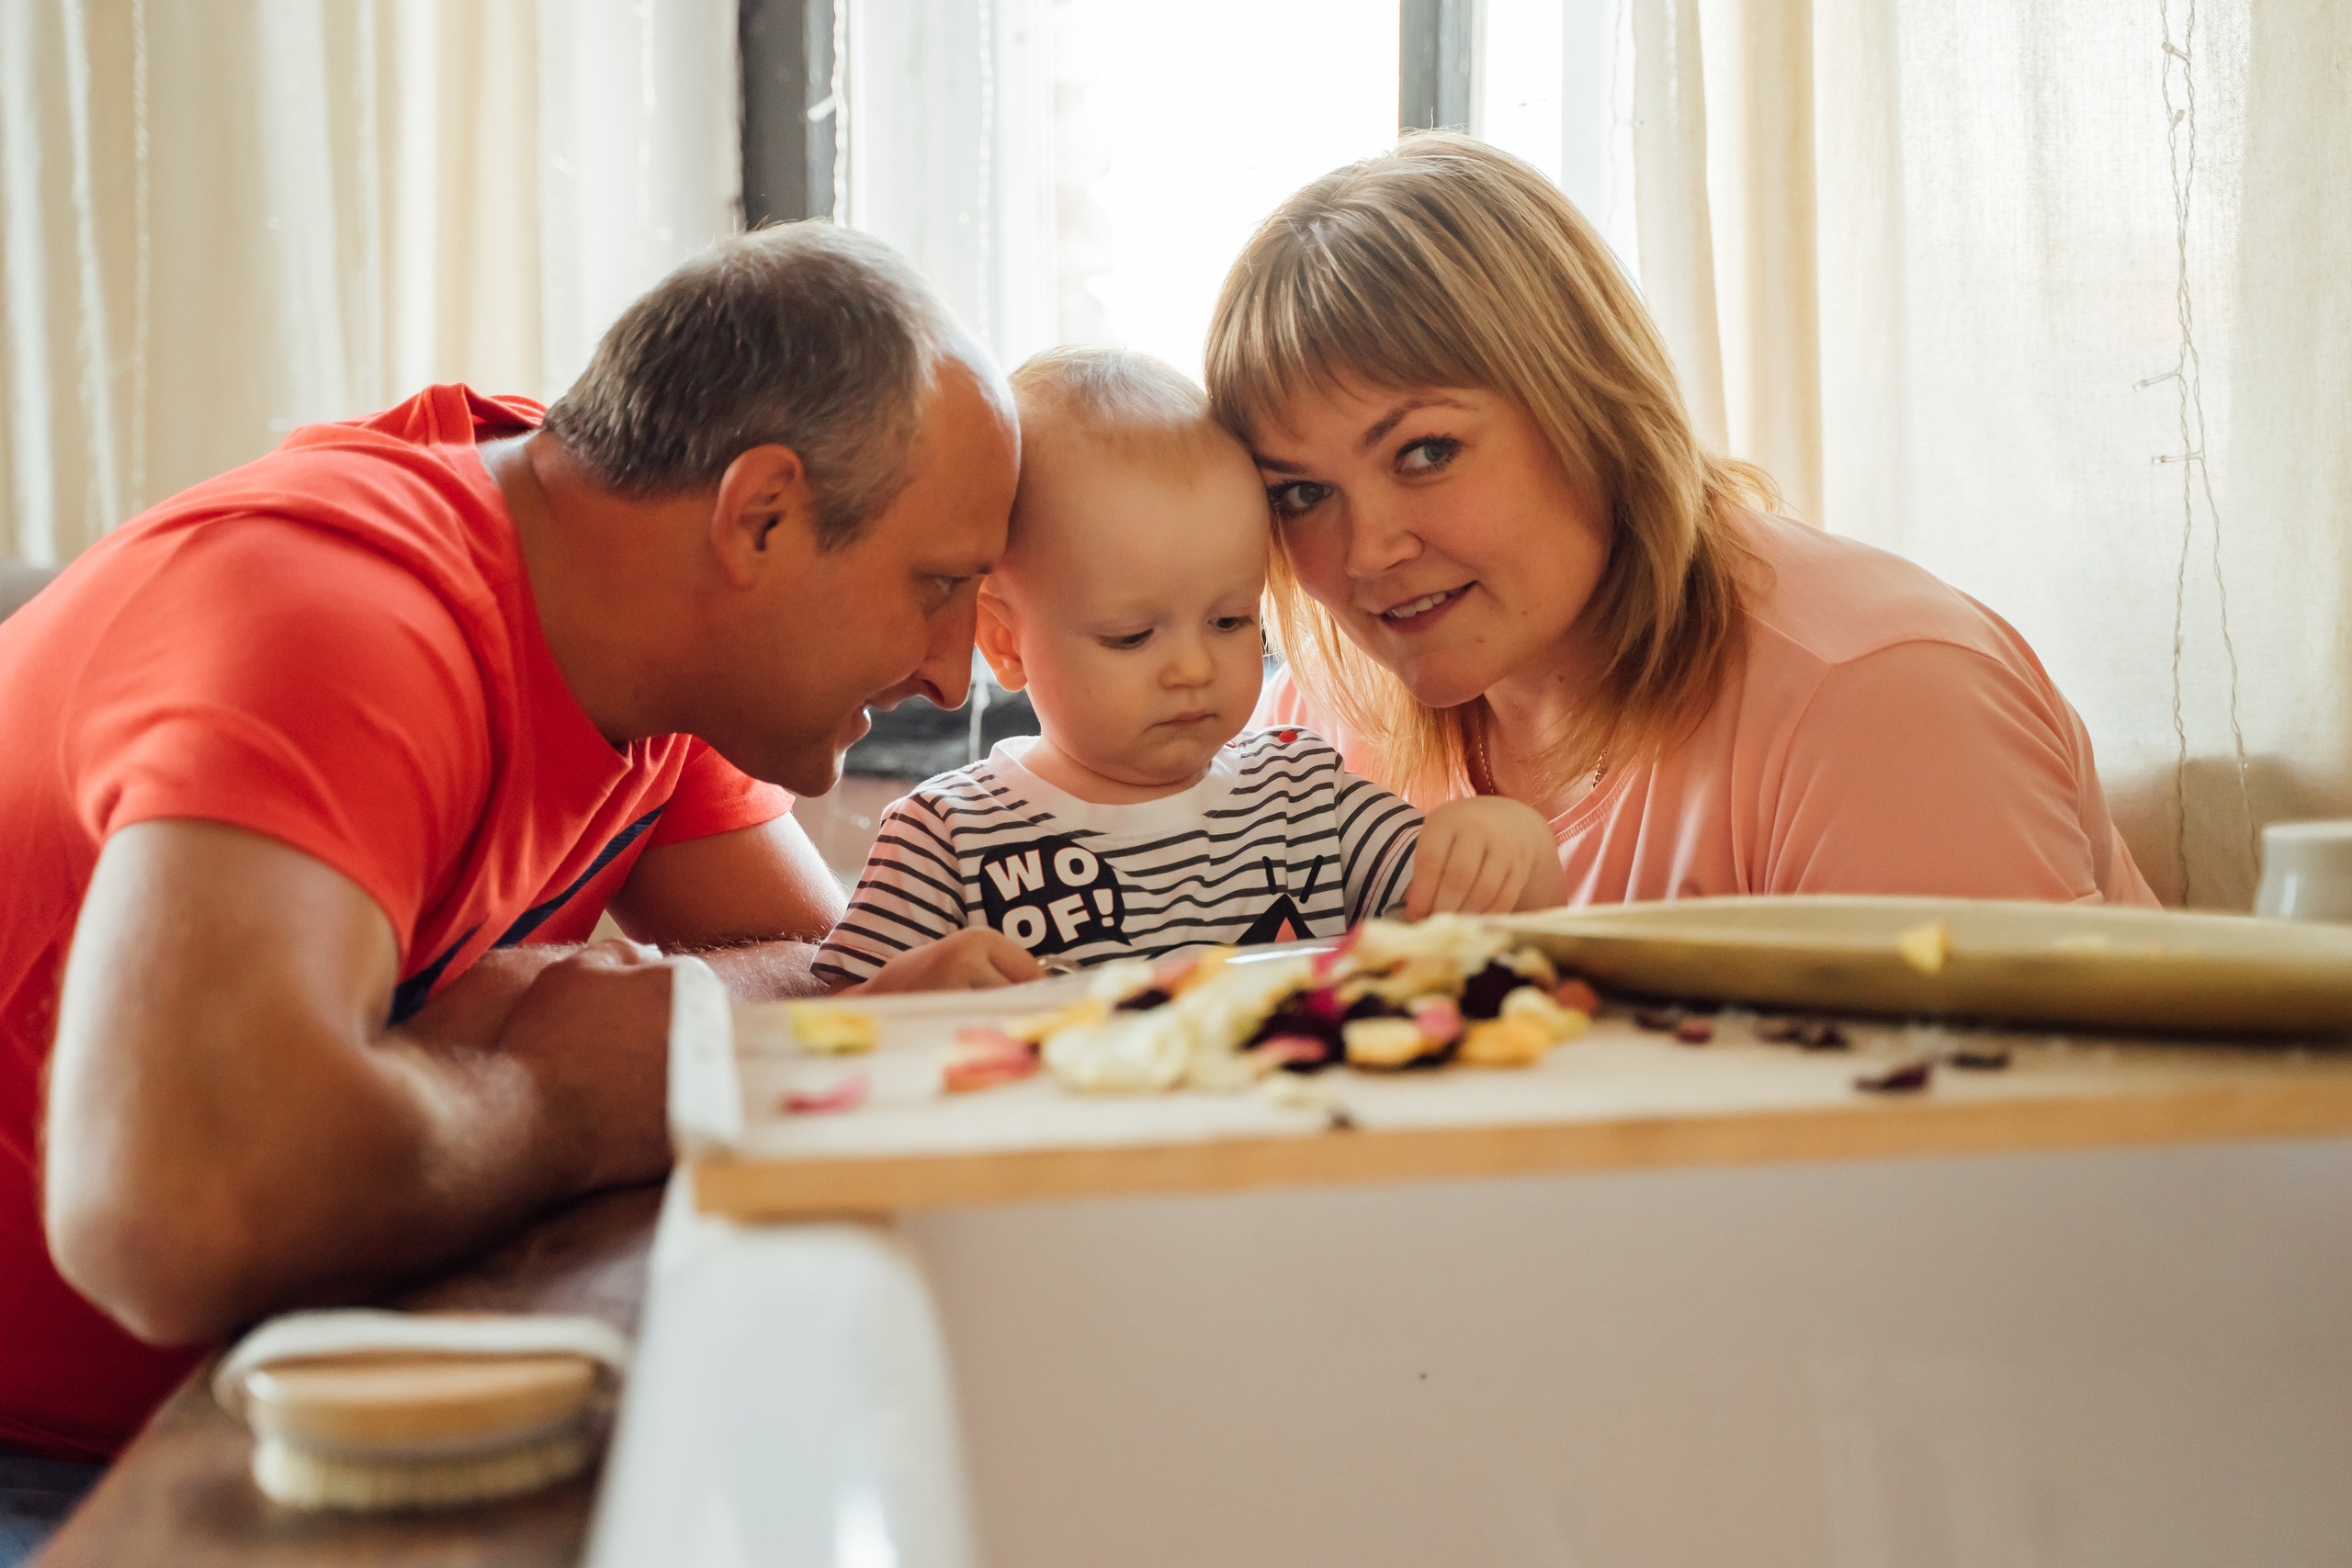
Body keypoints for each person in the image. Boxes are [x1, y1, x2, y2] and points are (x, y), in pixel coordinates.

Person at [0, 222, 1036, 1547]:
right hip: (52, 1447)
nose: (955, 676)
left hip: (294, 1384)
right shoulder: (345, 616)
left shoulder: (634, 611)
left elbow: (820, 970)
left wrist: (568, 1023)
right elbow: (172, 1210)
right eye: (937, 586)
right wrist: (562, 1093)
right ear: (760, 515)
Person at [1205, 134, 2158, 908]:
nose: (1366, 553)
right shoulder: (1328, 722)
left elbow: (1986, 1138)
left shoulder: (1877, 698)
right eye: (1299, 494)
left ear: (1587, 405)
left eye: (1426, 452)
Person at [812, 347, 1563, 988]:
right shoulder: (942, 838)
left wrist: (1509, 849)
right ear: (1005, 643)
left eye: (1231, 621)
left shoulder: (1308, 797)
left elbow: (1483, 935)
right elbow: (812, 1053)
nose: (1193, 669)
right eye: (1132, 636)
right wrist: (897, 1001)